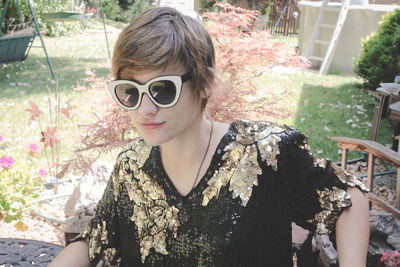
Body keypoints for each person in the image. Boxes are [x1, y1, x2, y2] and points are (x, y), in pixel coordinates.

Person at [49, 6, 369, 267]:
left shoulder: (265, 154)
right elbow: (95, 241)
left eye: (162, 89)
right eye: (130, 92)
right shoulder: (131, 168)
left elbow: (349, 198)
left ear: (205, 84)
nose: (144, 108)